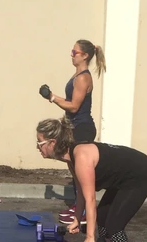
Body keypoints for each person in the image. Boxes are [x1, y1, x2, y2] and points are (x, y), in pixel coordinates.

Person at [35, 118, 147, 242]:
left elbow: (90, 199)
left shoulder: (81, 156)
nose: (37, 147)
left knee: (114, 225)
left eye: (39, 142)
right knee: (102, 217)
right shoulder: (71, 158)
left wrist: (89, 237)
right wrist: (77, 220)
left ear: (52, 143)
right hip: (123, 178)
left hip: (141, 174)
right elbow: (81, 192)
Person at [38, 39, 106, 225]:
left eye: (75, 52)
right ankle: (79, 207)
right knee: (73, 168)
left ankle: (83, 212)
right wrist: (51, 97)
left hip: (82, 128)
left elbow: (74, 106)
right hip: (73, 127)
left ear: (85, 56)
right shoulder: (77, 75)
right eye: (72, 51)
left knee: (79, 170)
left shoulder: (83, 78)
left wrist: (52, 97)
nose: (71, 55)